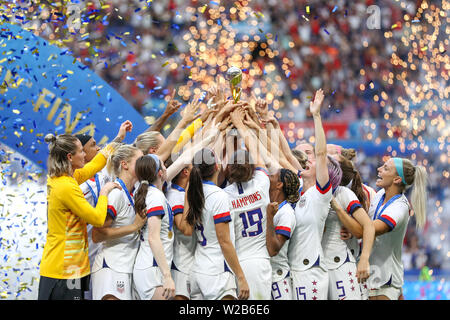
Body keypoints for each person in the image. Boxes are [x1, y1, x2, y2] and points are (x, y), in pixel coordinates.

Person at [38, 133, 118, 300]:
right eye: (81, 151)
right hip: (64, 270)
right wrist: (104, 193)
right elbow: (96, 219)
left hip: (70, 267)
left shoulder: (65, 178)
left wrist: (117, 138)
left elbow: (95, 165)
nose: (85, 155)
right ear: (69, 156)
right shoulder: (66, 186)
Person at [178, 148, 250, 300]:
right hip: (217, 271)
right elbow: (224, 241)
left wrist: (186, 195)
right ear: (216, 166)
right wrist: (241, 276)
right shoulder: (219, 196)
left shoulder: (193, 192)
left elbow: (186, 230)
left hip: (198, 269)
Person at [287, 89, 338, 300]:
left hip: (312, 272)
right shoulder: (291, 192)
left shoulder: (321, 193)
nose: (306, 160)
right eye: (301, 156)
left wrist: (316, 115)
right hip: (291, 271)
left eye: (309, 155)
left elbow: (321, 153)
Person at [76, 120, 133, 299]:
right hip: (79, 250)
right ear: (82, 154)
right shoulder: (73, 183)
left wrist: (120, 135)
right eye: (93, 146)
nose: (99, 148)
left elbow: (136, 150)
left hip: (100, 247)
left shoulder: (103, 175)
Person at [367, 157, 428, 300]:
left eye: (386, 168)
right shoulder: (381, 195)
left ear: (397, 179)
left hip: (385, 281)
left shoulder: (400, 207)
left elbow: (369, 229)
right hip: (372, 275)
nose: (379, 169)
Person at [90, 144, 146, 300]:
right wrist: (134, 227)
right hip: (111, 266)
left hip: (125, 266)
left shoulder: (133, 193)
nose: (144, 164)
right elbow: (97, 234)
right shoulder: (115, 194)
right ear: (125, 164)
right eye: (140, 160)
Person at [321, 156, 375, 300]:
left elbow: (366, 227)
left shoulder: (342, 193)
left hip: (339, 263)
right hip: (315, 267)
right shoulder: (306, 192)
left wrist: (364, 258)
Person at [223, 149, 272, 300]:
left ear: (229, 168)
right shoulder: (262, 183)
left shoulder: (223, 195)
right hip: (259, 261)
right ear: (252, 168)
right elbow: (260, 161)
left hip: (234, 263)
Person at [133, 154, 176, 300]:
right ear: (159, 172)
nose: (166, 167)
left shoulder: (145, 192)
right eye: (164, 164)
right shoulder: (155, 196)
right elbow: (153, 237)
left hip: (148, 266)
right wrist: (167, 276)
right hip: (152, 268)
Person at [266, 168, 300, 300]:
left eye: (272, 175)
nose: (268, 176)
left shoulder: (286, 213)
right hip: (266, 275)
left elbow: (273, 250)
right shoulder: (268, 203)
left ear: (279, 184)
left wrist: (269, 217)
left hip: (278, 280)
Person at [164, 156, 195, 300]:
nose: (196, 169)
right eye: (192, 166)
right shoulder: (175, 195)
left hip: (191, 256)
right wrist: (190, 194)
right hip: (181, 259)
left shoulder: (176, 190)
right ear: (185, 172)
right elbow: (185, 229)